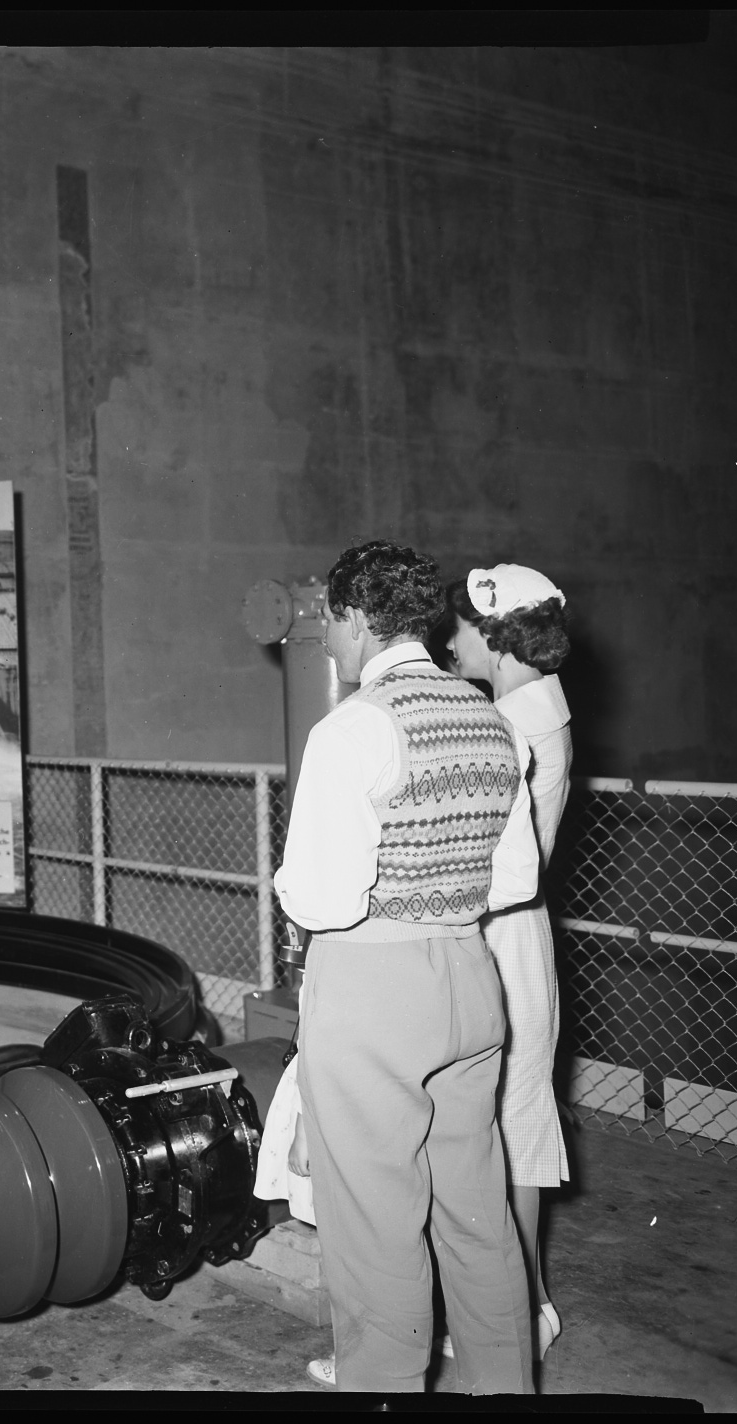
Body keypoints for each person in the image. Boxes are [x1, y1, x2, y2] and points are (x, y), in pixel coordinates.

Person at [273, 539, 540, 1395]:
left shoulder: (353, 727)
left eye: (331, 623)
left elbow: (322, 900)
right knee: (478, 1213)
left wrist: (287, 879)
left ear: (354, 619)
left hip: (372, 990)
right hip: (469, 975)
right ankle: (505, 1387)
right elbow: (516, 880)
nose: (328, 640)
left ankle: (384, 1388)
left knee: (375, 1230)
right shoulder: (495, 722)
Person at [446, 564, 573, 1363]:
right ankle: (523, 1306)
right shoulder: (543, 707)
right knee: (515, 1122)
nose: (450, 640)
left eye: (461, 627)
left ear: (495, 635)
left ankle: (517, 1312)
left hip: (497, 930)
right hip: (521, 932)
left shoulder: (509, 724)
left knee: (502, 1128)